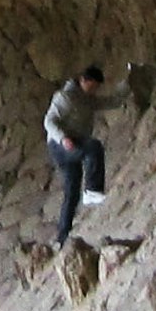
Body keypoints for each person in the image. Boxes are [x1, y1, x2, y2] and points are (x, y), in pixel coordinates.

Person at [44, 64, 110, 241]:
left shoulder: (88, 99)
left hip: (73, 144)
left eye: (97, 87)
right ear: (83, 80)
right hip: (60, 145)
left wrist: (129, 84)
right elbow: (49, 121)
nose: (95, 90)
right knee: (93, 147)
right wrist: (63, 138)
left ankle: (62, 237)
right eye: (93, 85)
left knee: (72, 191)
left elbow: (112, 101)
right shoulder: (65, 97)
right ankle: (92, 190)